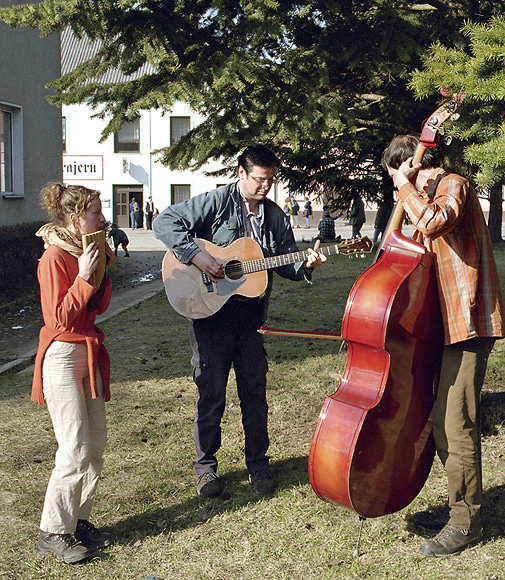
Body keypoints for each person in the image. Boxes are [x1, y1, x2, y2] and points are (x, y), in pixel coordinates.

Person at [153, 145, 326, 498]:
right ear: (241, 173)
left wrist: (305, 265)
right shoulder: (216, 201)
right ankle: (205, 470)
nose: (265, 187)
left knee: (254, 392)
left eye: (270, 180)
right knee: (211, 394)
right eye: (259, 180)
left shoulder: (275, 216)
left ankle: (258, 466)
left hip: (250, 319)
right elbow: (164, 222)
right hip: (210, 315)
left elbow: (283, 262)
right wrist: (197, 255)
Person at [382, 134, 504, 558]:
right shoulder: (423, 199)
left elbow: (436, 220)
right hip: (443, 328)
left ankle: (466, 523)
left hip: (469, 324)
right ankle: (460, 508)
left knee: (457, 425)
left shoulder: (453, 183)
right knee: (440, 425)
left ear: (413, 168)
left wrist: (403, 185)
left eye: (397, 176)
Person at [32, 183, 115, 564]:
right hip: (63, 355)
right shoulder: (54, 257)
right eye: (96, 213)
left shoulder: (87, 249)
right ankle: (53, 530)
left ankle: (78, 520)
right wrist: (82, 274)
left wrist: (102, 268)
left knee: (95, 444)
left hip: (87, 351)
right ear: (75, 217)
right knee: (74, 447)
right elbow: (59, 318)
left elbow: (95, 307)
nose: (102, 219)